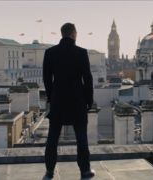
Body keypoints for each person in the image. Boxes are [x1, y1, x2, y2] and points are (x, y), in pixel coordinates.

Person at [42, 23, 95, 179]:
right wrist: (88, 100)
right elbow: (88, 79)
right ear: (73, 34)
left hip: (58, 101)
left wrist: (52, 97)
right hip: (77, 101)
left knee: (53, 138)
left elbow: (46, 79)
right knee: (81, 138)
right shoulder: (81, 53)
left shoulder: (50, 53)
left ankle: (49, 171)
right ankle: (85, 171)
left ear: (62, 34)